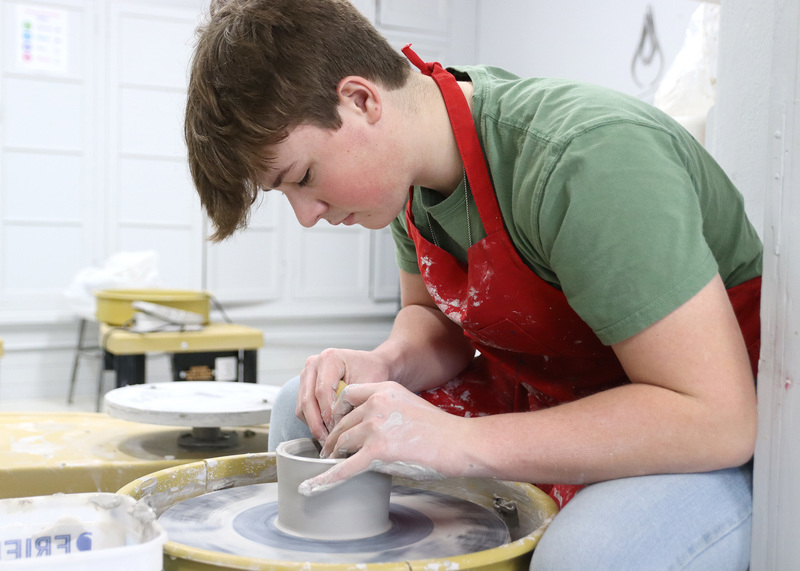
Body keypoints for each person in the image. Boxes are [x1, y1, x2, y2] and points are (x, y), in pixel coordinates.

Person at [185, 1, 762, 569]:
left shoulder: (585, 160)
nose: (307, 216)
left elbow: (716, 417)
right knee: (306, 410)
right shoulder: (410, 174)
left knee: (586, 557)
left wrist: (455, 442)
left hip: (694, 433)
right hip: (550, 388)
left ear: (360, 100)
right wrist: (387, 363)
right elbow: (440, 324)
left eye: (303, 178)